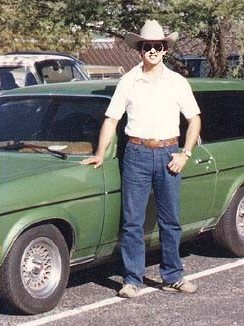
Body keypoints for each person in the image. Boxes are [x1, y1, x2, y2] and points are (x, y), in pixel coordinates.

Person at [81, 19, 201, 297]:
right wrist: (99, 154)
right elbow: (111, 120)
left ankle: (173, 276)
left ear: (165, 49)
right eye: (148, 47)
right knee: (132, 222)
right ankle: (132, 280)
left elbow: (194, 120)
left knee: (170, 220)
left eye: (158, 46)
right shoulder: (128, 81)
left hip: (169, 153)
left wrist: (185, 153)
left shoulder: (177, 82)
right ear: (140, 49)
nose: (153, 51)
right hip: (136, 154)